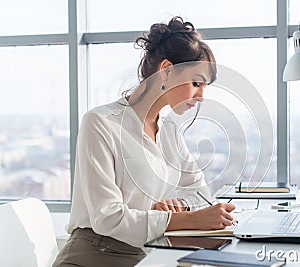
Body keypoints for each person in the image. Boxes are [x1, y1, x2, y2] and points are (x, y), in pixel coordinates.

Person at [53, 16, 236, 267]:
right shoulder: (100, 123)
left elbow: (201, 192)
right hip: (94, 254)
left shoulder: (168, 128)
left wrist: (179, 205)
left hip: (146, 251)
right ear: (167, 70)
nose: (201, 96)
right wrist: (189, 220)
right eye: (196, 83)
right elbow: (107, 218)